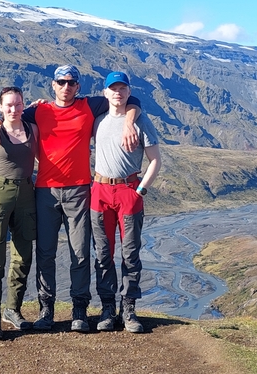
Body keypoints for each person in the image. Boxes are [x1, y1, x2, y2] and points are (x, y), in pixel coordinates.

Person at [0, 65, 140, 332]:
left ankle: (79, 307)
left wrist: (128, 121)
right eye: (61, 82)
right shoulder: (38, 111)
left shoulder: (90, 106)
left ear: (78, 86)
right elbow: (12, 114)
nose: (66, 87)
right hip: (45, 192)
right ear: (53, 85)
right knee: (45, 253)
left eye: (72, 82)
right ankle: (47, 309)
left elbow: (129, 98)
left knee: (79, 252)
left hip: (79, 191)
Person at [90, 71, 162, 334]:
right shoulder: (97, 121)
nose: (118, 93)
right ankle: (107, 308)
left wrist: (141, 190)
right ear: (105, 93)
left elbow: (155, 160)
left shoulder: (141, 121)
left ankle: (128, 308)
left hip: (128, 191)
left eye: (122, 88)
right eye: (113, 89)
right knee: (103, 254)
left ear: (129, 92)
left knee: (130, 254)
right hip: (100, 190)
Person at [0, 86, 39, 340]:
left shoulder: (32, 128)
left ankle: (12, 309)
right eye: (9, 105)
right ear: (0, 107)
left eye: (18, 104)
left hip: (26, 193)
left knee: (23, 257)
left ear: (24, 105)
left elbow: (43, 107)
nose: (14, 109)